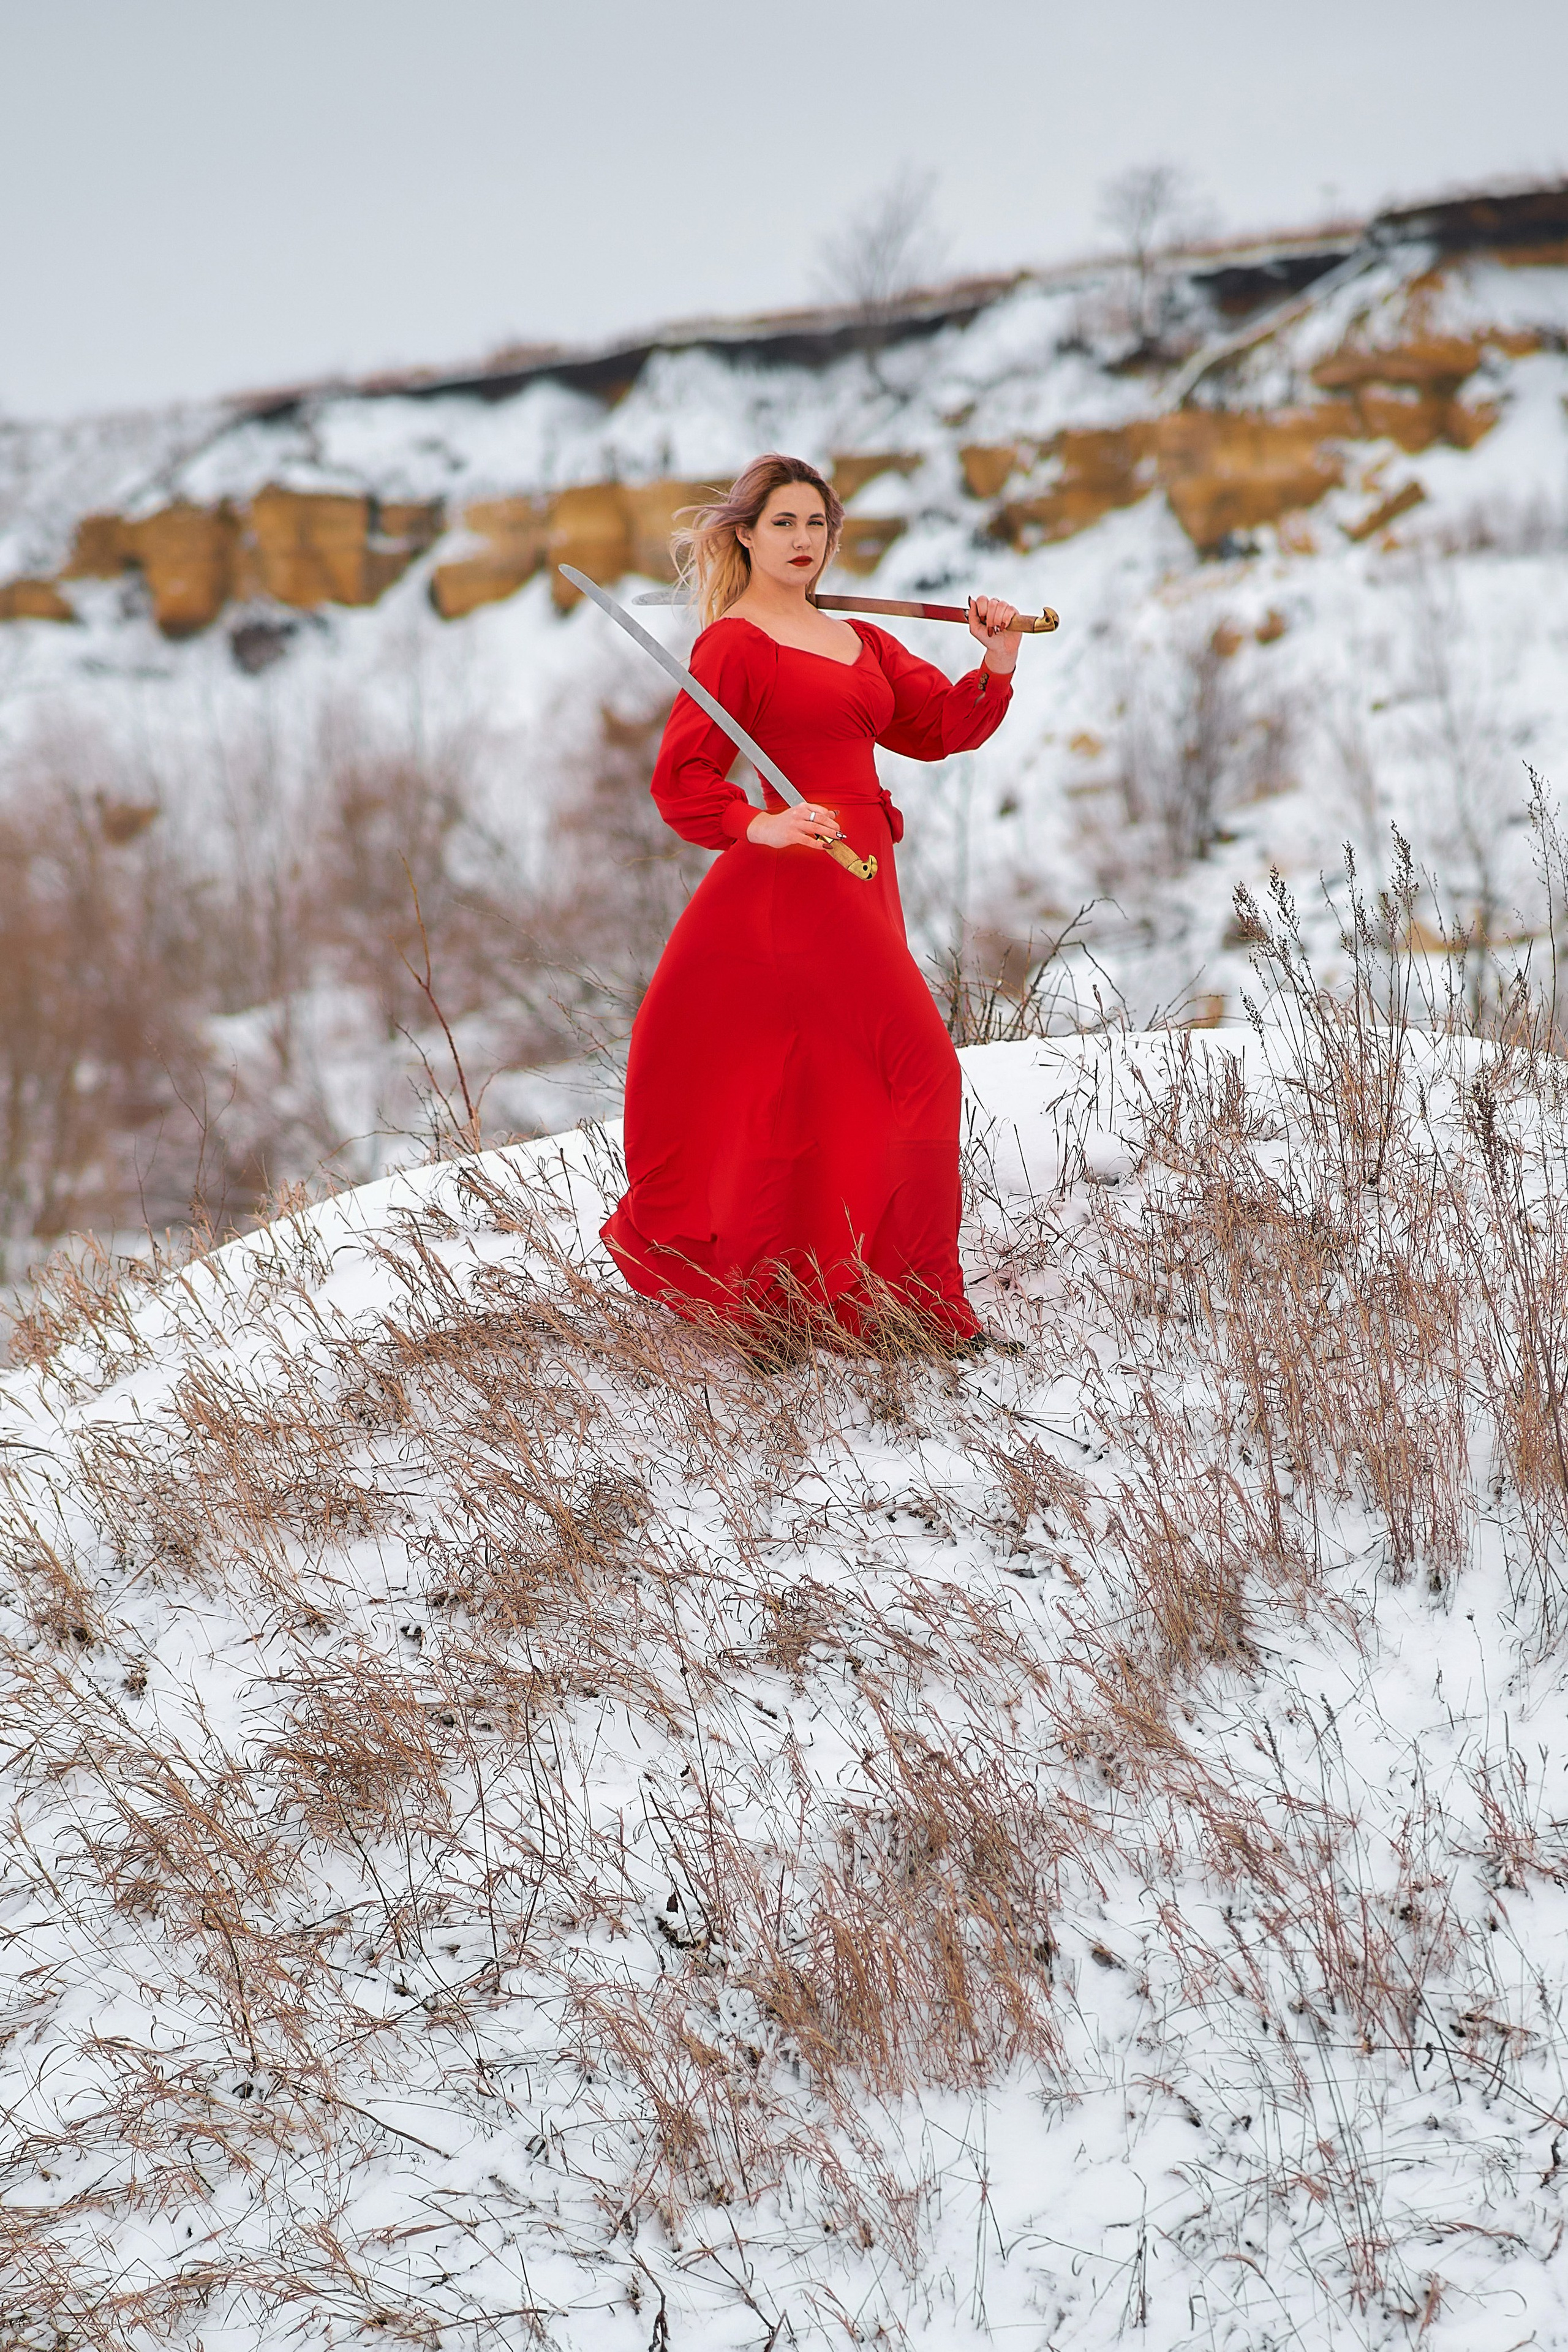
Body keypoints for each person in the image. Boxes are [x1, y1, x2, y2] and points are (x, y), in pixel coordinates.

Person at [600, 451, 1020, 1350]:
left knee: (825, 1090)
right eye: (783, 523)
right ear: (745, 534)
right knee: (923, 1070)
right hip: (798, 881)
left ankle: (787, 1301)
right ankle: (920, 1313)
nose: (803, 541)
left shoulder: (861, 641)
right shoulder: (736, 644)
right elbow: (684, 780)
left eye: (817, 524)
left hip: (866, 866)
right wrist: (764, 826)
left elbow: (941, 727)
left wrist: (997, 659)